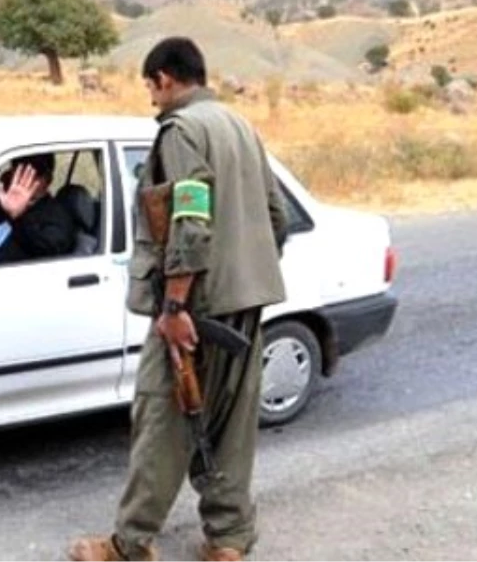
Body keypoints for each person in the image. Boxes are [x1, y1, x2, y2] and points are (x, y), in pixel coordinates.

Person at [69, 37, 288, 562]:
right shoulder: (239, 126)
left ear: (165, 78)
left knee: (160, 424)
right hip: (243, 306)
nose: (151, 98)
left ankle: (130, 545)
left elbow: (189, 220)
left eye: (151, 86)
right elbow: (275, 215)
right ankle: (229, 542)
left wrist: (173, 309)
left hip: (193, 312)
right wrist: (244, 273)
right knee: (231, 430)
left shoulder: (181, 131)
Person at [0, 153, 76, 265]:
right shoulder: (2, 201)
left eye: (32, 174)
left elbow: (49, 250)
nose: (23, 179)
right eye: (19, 172)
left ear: (47, 180)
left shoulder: (57, 215)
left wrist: (17, 217)